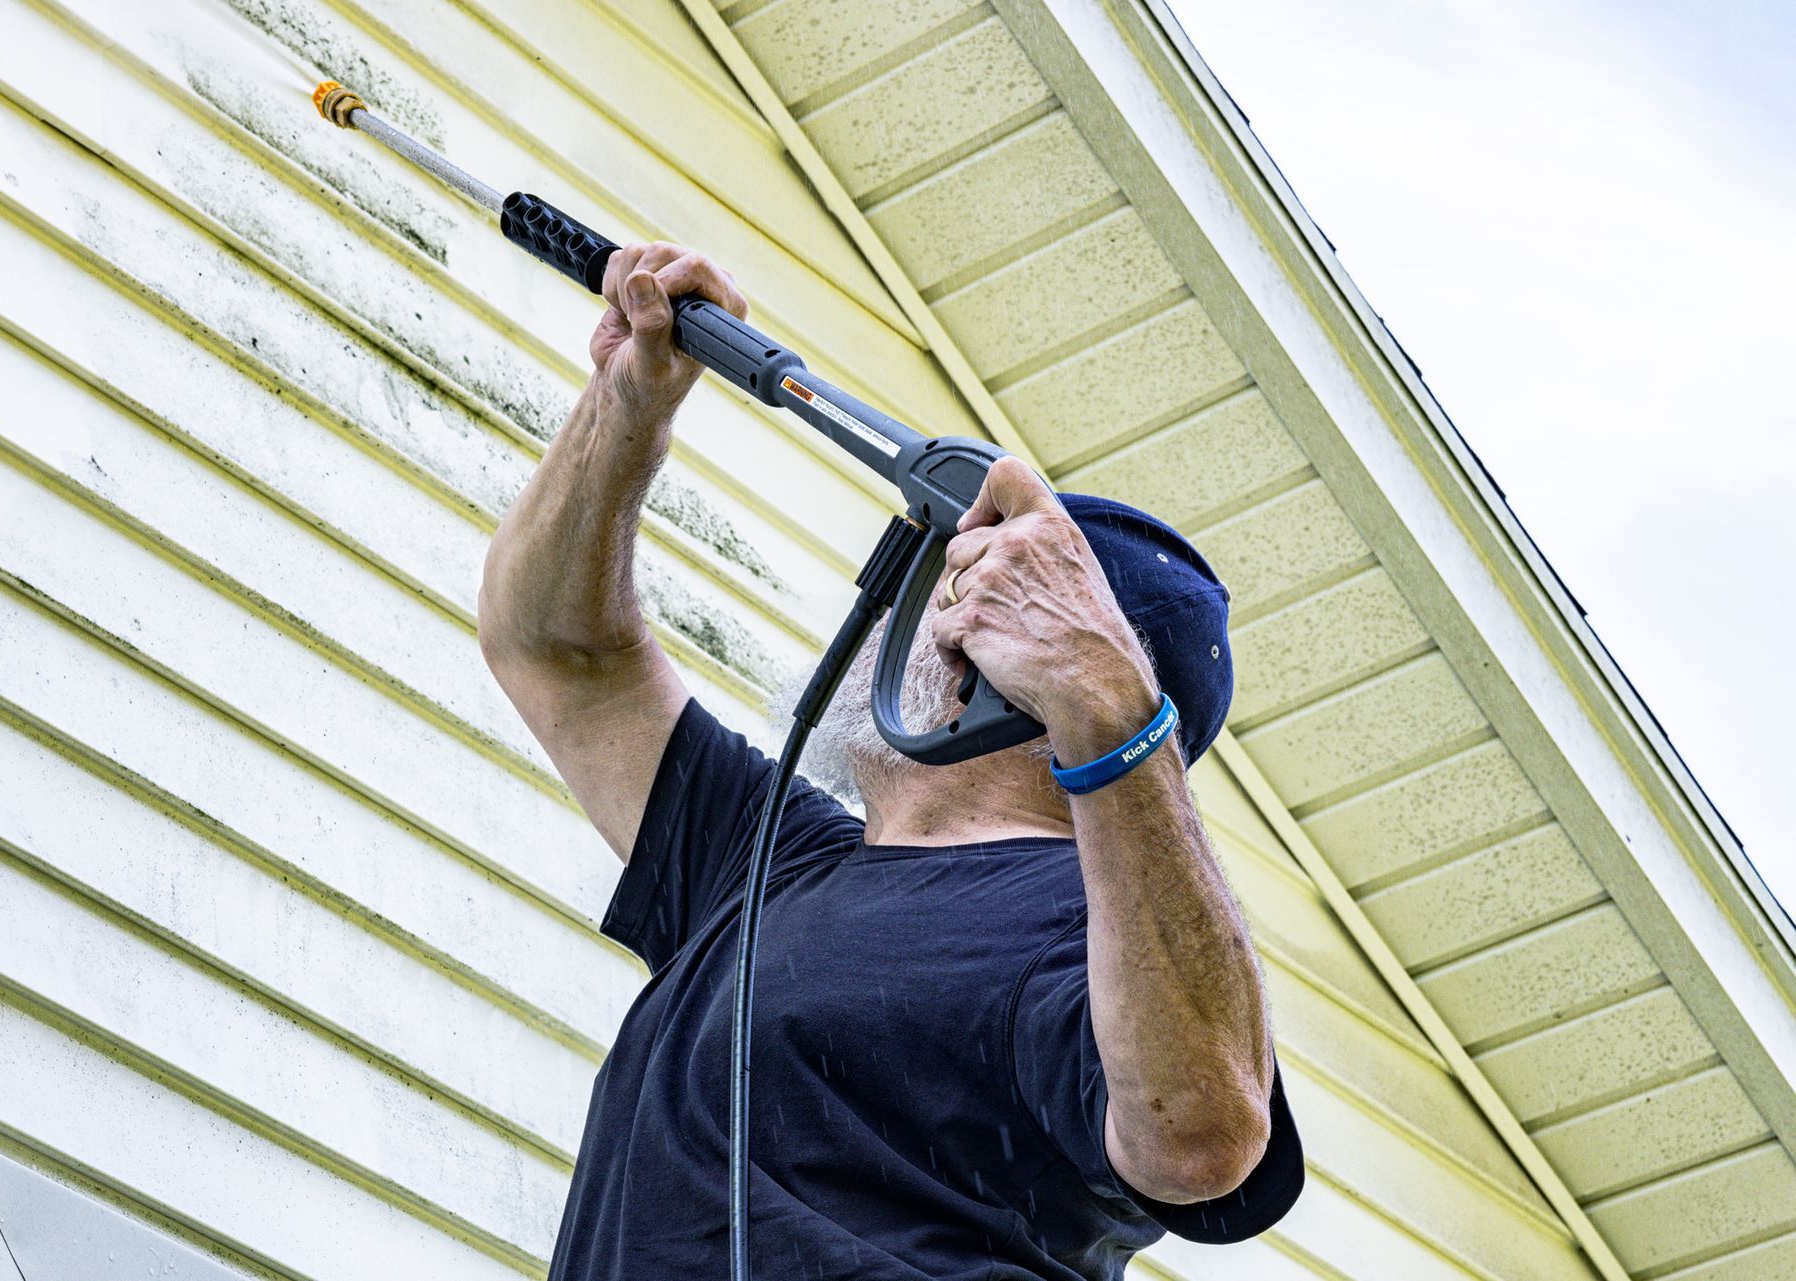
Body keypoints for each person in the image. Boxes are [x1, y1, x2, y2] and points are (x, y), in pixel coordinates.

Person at [478, 242, 1303, 1280]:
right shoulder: (770, 858)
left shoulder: (1098, 930)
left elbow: (1202, 1142)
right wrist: (628, 403)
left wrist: (1107, 705)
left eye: (937, 586)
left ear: (1002, 671)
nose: (877, 623)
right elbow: (560, 653)